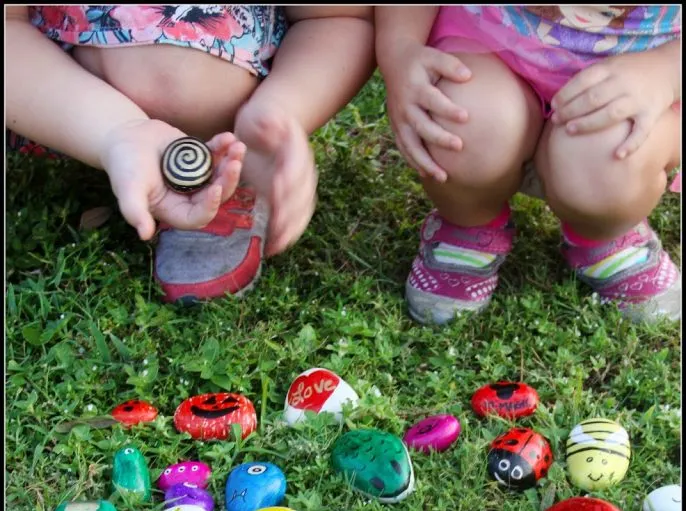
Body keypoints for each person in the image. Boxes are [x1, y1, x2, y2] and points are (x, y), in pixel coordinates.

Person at [6, 5, 374, 302]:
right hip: (50, 60)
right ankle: (122, 137)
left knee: (181, 79)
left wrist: (281, 109)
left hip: (218, 61)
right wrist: (116, 131)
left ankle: (222, 158)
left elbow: (338, 17)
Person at [376, 5, 681, 325]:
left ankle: (604, 234)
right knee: (460, 123)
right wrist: (400, 48)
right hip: (489, 48)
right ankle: (468, 221)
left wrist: (665, 70)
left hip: (639, 76)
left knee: (612, 165)